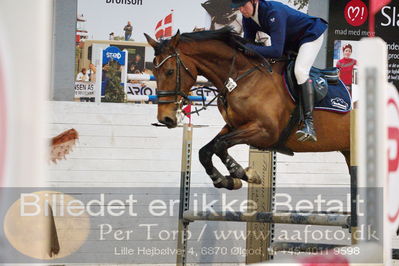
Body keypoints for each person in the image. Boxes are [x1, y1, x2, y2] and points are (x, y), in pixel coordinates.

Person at [231, 0, 328, 142]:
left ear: (254, 1)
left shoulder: (273, 11)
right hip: (291, 40)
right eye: (238, 7)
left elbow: (276, 51)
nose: (241, 10)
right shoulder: (248, 18)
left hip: (310, 34)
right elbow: (248, 45)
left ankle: (309, 123)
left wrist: (248, 48)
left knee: (300, 71)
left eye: (243, 5)